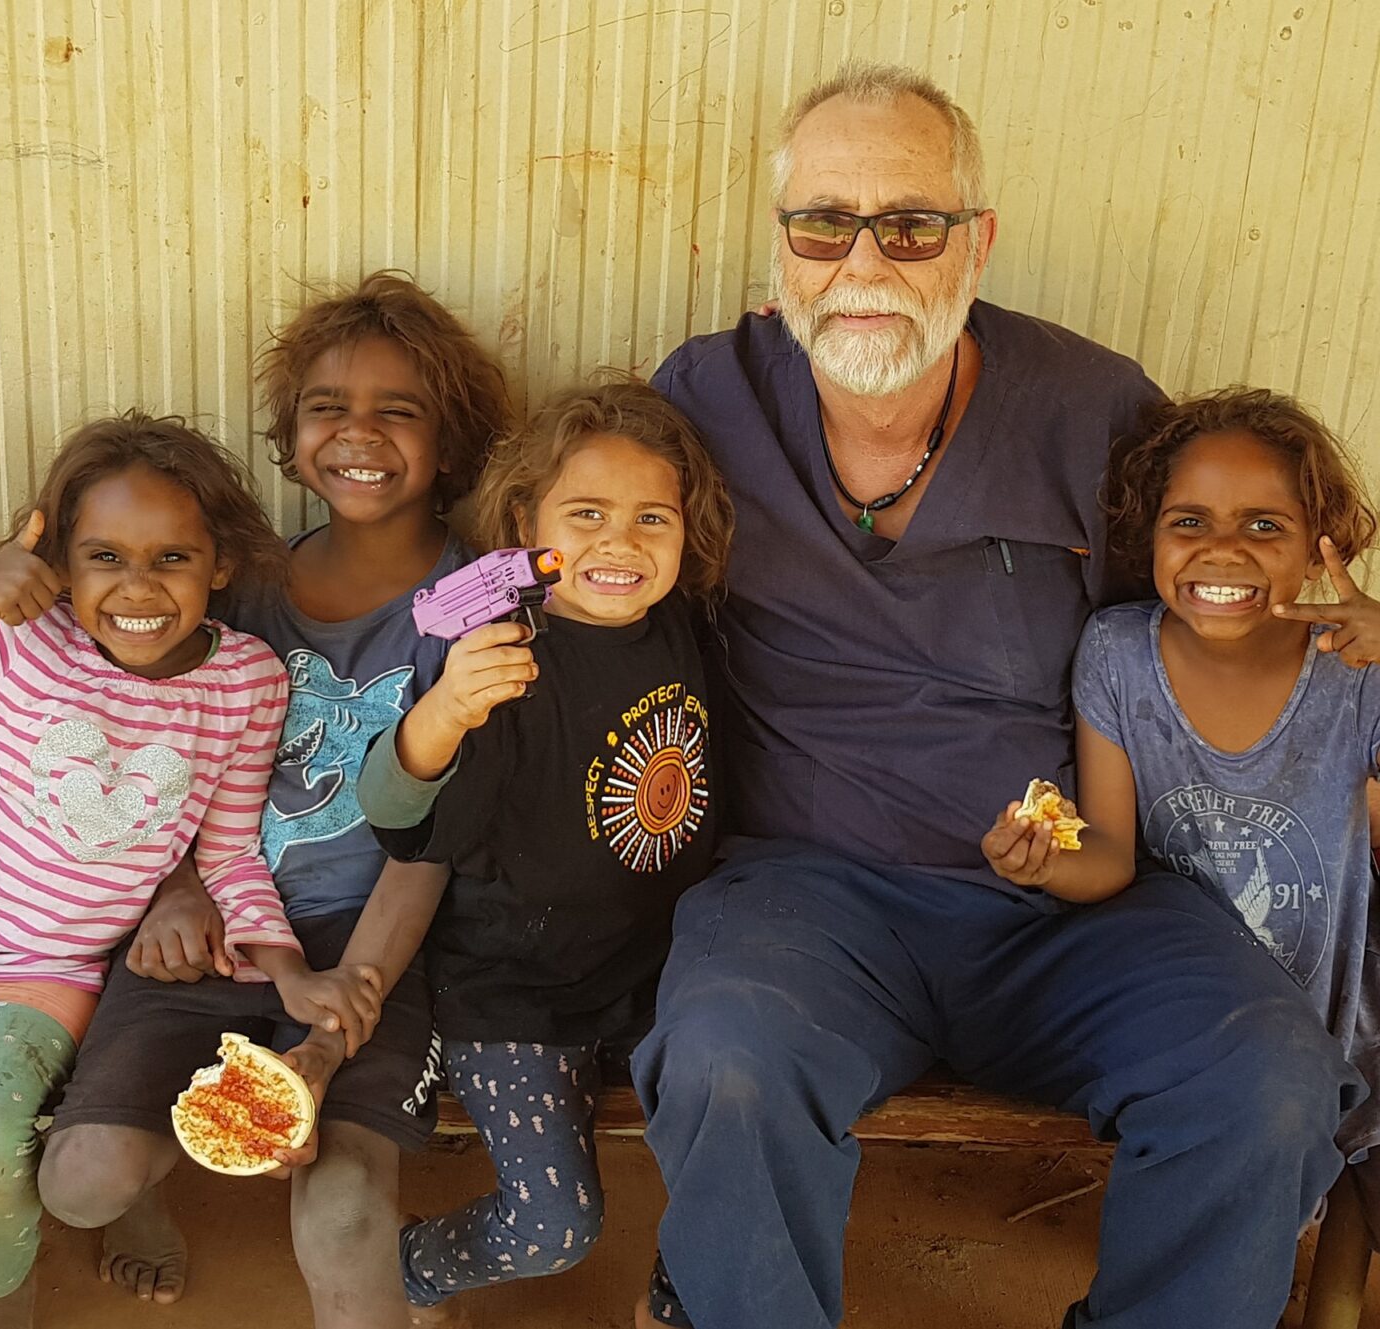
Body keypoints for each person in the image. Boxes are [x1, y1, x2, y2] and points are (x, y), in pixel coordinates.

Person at [632, 61, 1361, 1329]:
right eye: (824, 221)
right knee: (728, 1062)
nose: (864, 258)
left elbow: (1207, 601)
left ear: (977, 241)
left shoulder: (1090, 409)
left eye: (911, 222)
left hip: (1076, 898)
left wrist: (1336, 628)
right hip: (808, 894)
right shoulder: (703, 401)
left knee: (1269, 1085)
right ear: (782, 251)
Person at [0, 413, 381, 1329]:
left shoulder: (247, 682)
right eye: (103, 556)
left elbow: (225, 850)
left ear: (219, 564)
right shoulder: (16, 638)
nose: (137, 587)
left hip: (51, 961)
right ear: (58, 560)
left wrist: (287, 967)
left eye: (172, 558)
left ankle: (4, 1283)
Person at [34, 272, 511, 1329]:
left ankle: (409, 1277)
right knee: (81, 1180)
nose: (359, 434)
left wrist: (335, 1032)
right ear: (289, 433)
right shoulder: (235, 585)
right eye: (326, 407)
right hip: (215, 928)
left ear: (453, 438)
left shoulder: (475, 609)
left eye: (401, 409)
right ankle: (150, 1200)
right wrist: (178, 890)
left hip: (373, 940)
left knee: (341, 1219)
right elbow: (139, 746)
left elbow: (431, 846)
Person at [357, 379, 735, 1320]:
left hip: (654, 974)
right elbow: (401, 823)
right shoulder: (502, 658)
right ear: (527, 521)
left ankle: (682, 1287)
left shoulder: (680, 628)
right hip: (513, 991)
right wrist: (442, 712)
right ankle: (414, 1267)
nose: (622, 542)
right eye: (588, 513)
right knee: (553, 1224)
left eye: (654, 516)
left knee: (744, 1124)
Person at [981, 385, 1380, 1224]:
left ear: (1320, 547)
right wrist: (1047, 861)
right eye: (1188, 521)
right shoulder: (1120, 655)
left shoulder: (1357, 672)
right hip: (1181, 1014)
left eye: (1264, 525)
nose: (1222, 550)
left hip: (1327, 1023)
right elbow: (1112, 854)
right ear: (1149, 539)